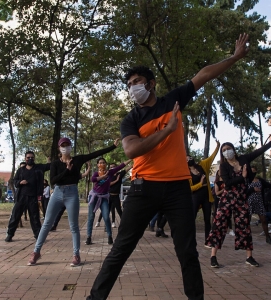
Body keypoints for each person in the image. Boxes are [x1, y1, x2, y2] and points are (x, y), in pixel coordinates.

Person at [87, 33, 253, 300]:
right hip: (143, 188)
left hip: (177, 189)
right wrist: (167, 131)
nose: (133, 88)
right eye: (129, 84)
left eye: (137, 82)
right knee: (121, 249)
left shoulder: (172, 101)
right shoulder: (130, 119)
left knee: (187, 251)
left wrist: (233, 58)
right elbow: (131, 150)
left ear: (151, 84)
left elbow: (204, 75)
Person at [27, 138, 118, 266]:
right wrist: (67, 170)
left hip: (72, 193)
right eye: (63, 145)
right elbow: (53, 180)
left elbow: (95, 154)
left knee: (74, 226)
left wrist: (112, 146)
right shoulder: (55, 164)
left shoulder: (78, 160)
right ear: (59, 148)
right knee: (47, 223)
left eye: (67, 145)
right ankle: (36, 252)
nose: (65, 147)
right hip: (57, 193)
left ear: (71, 146)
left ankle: (76, 255)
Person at [206, 136, 271, 268]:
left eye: (229, 148)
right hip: (227, 198)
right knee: (219, 224)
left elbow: (258, 151)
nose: (227, 151)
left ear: (234, 149)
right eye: (224, 150)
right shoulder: (223, 166)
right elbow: (227, 183)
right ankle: (213, 256)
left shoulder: (243, 159)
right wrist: (242, 177)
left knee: (244, 225)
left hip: (241, 197)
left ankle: (249, 257)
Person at [5, 151, 52, 242]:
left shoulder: (38, 168)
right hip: (21, 197)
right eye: (28, 157)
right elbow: (15, 181)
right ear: (25, 158)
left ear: (34, 158)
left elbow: (49, 166)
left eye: (32, 157)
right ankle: (10, 234)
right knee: (15, 216)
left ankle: (38, 236)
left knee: (35, 217)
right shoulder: (21, 170)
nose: (30, 159)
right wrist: (20, 182)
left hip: (33, 197)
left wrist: (50, 160)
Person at [85, 158, 131, 245]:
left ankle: (110, 236)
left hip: (104, 197)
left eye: (103, 162)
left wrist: (131, 158)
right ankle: (88, 237)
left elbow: (121, 165)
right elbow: (93, 179)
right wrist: (102, 177)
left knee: (106, 216)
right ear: (98, 165)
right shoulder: (96, 173)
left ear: (106, 164)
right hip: (94, 196)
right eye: (100, 163)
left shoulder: (110, 172)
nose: (102, 164)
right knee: (91, 217)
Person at [188, 141, 220, 245]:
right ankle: (190, 239)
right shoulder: (186, 173)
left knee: (207, 219)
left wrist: (217, 147)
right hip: (195, 197)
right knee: (192, 218)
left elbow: (211, 157)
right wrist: (200, 184)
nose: (189, 159)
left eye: (190, 157)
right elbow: (189, 188)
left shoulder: (202, 165)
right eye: (186, 159)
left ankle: (208, 239)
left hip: (206, 197)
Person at [49, 161, 91, 231]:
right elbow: (53, 179)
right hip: (60, 196)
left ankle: (73, 228)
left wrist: (89, 167)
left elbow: (84, 174)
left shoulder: (74, 176)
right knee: (58, 212)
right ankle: (54, 225)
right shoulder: (60, 176)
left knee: (72, 216)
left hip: (71, 197)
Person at [248, 167, 271, 245]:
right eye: (251, 171)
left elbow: (270, 185)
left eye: (254, 171)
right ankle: (247, 238)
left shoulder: (260, 180)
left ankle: (268, 237)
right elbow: (244, 191)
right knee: (248, 221)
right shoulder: (246, 180)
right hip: (249, 202)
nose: (253, 173)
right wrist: (252, 189)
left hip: (259, 202)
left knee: (263, 219)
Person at [96, 162, 132, 228]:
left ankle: (124, 225)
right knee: (106, 211)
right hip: (109, 196)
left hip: (116, 196)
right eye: (111, 167)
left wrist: (134, 163)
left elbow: (127, 169)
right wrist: (117, 180)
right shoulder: (108, 175)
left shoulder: (119, 174)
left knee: (119, 211)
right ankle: (102, 224)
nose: (112, 168)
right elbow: (108, 184)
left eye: (114, 167)